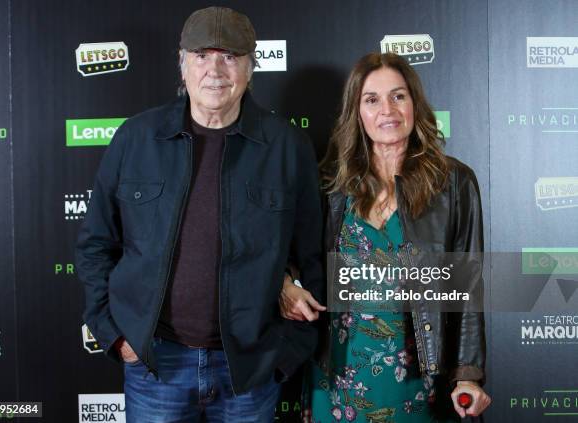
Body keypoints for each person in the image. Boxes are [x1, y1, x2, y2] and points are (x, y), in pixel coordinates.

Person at [75, 6, 324, 422]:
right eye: (202, 55)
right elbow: (96, 245)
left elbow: (311, 255)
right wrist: (114, 334)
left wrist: (285, 353)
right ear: (182, 63)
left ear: (250, 67)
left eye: (230, 56)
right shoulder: (135, 139)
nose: (215, 69)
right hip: (157, 365)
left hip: (250, 370)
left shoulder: (288, 148)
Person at [280, 52, 491, 422]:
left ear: (415, 104)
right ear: (356, 112)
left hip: (415, 377)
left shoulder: (454, 184)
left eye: (398, 96)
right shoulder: (328, 183)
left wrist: (469, 375)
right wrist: (285, 284)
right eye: (372, 99)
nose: (387, 110)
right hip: (337, 374)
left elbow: (468, 288)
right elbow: (287, 253)